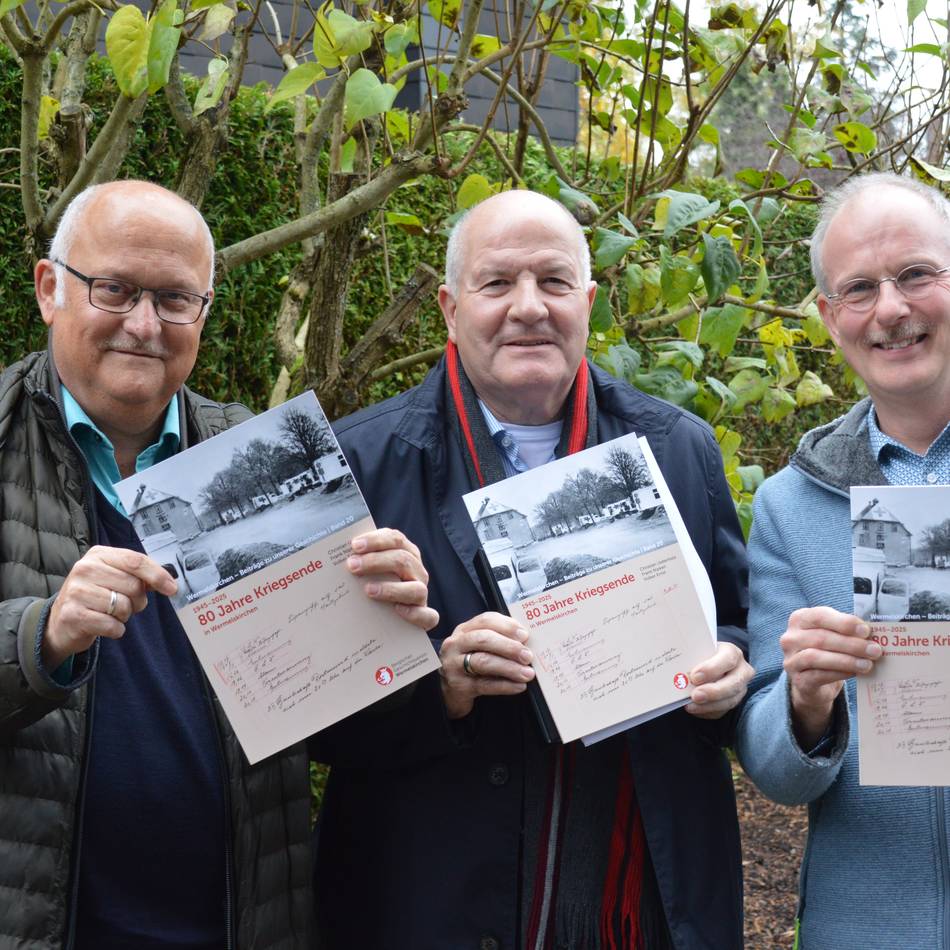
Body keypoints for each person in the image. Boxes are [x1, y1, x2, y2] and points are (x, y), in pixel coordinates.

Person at [0, 179, 436, 949]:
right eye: (114, 289)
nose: (144, 323)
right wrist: (41, 637)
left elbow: (341, 736)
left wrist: (384, 635)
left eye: (174, 299)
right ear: (48, 289)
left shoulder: (259, 458)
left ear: (204, 311)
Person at [314, 190, 753, 949]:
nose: (528, 308)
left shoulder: (678, 448)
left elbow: (742, 631)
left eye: (553, 283)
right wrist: (439, 690)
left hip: (636, 904)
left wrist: (731, 676)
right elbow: (313, 722)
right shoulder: (359, 465)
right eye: (496, 284)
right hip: (429, 901)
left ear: (589, 303)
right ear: (450, 309)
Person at [735, 172, 950, 949]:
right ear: (830, 318)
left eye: (917, 274)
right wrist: (805, 698)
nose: (891, 309)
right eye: (860, 288)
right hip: (867, 926)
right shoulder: (791, 507)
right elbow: (773, 770)